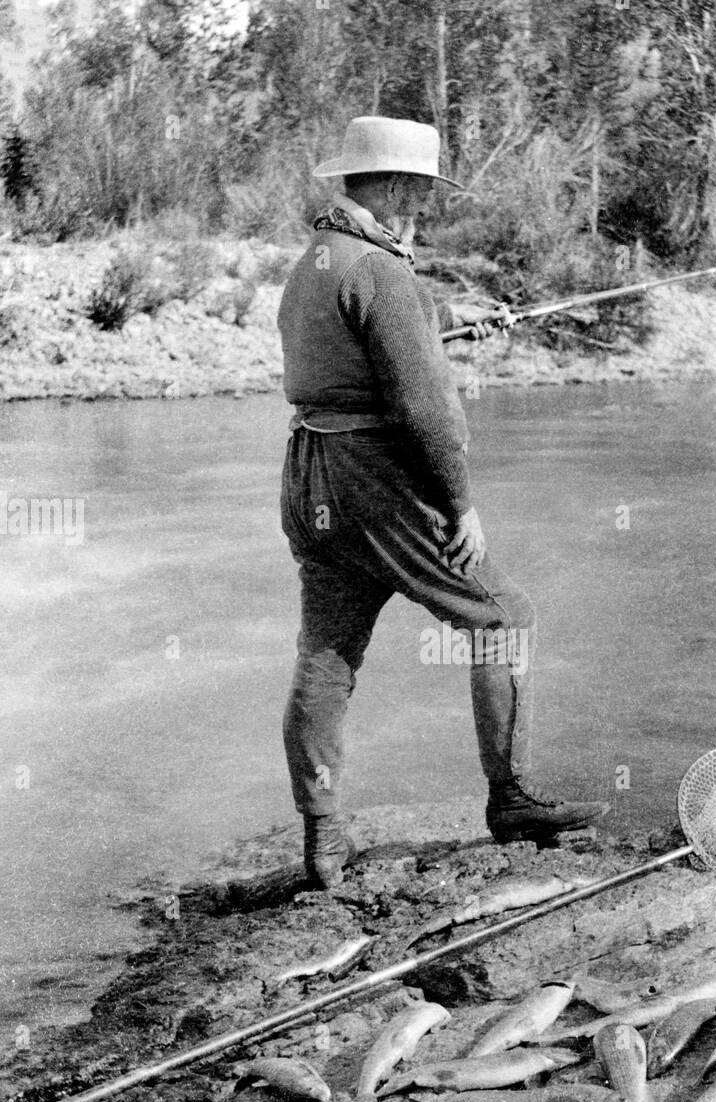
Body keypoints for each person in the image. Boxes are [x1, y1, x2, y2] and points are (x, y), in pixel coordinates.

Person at [277, 116, 608, 888]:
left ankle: (324, 841)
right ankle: (513, 799)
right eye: (420, 192)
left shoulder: (315, 261)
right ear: (395, 187)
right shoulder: (384, 273)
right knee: (502, 615)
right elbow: (426, 413)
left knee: (327, 656)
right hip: (376, 478)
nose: (423, 206)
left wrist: (451, 322)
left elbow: (356, 341)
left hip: (309, 474)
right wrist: (458, 503)